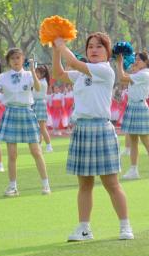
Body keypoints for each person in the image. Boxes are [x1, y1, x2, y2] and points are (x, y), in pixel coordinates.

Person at [52, 33, 133, 242]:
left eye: (99, 47)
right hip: (81, 129)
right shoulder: (82, 73)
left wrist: (61, 44)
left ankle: (125, 226)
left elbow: (72, 62)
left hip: (101, 128)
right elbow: (59, 73)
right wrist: (55, 49)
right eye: (90, 47)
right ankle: (84, 228)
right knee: (84, 184)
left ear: (107, 52)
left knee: (111, 183)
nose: (94, 50)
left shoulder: (105, 70)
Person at [0, 49, 51, 196]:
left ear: (23, 59)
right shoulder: (3, 76)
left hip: (26, 111)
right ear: (8, 61)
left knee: (36, 151)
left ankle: (46, 185)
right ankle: (13, 187)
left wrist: (32, 70)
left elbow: (37, 87)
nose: (15, 61)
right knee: (12, 154)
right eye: (12, 58)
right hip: (11, 112)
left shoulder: (29, 74)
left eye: (18, 58)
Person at [119, 51, 149, 180]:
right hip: (132, 106)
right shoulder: (138, 73)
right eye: (135, 59)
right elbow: (124, 78)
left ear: (146, 62)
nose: (136, 61)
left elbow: (122, 78)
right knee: (133, 141)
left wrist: (119, 62)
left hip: (140, 106)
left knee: (145, 140)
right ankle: (133, 170)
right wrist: (128, 67)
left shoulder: (144, 74)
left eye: (139, 59)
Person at [33, 65, 54, 152]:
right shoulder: (40, 81)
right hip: (35, 103)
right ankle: (39, 144)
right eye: (35, 72)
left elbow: (34, 83)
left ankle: (49, 146)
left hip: (40, 103)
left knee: (42, 127)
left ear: (43, 74)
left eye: (37, 72)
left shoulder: (42, 82)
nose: (36, 74)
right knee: (38, 128)